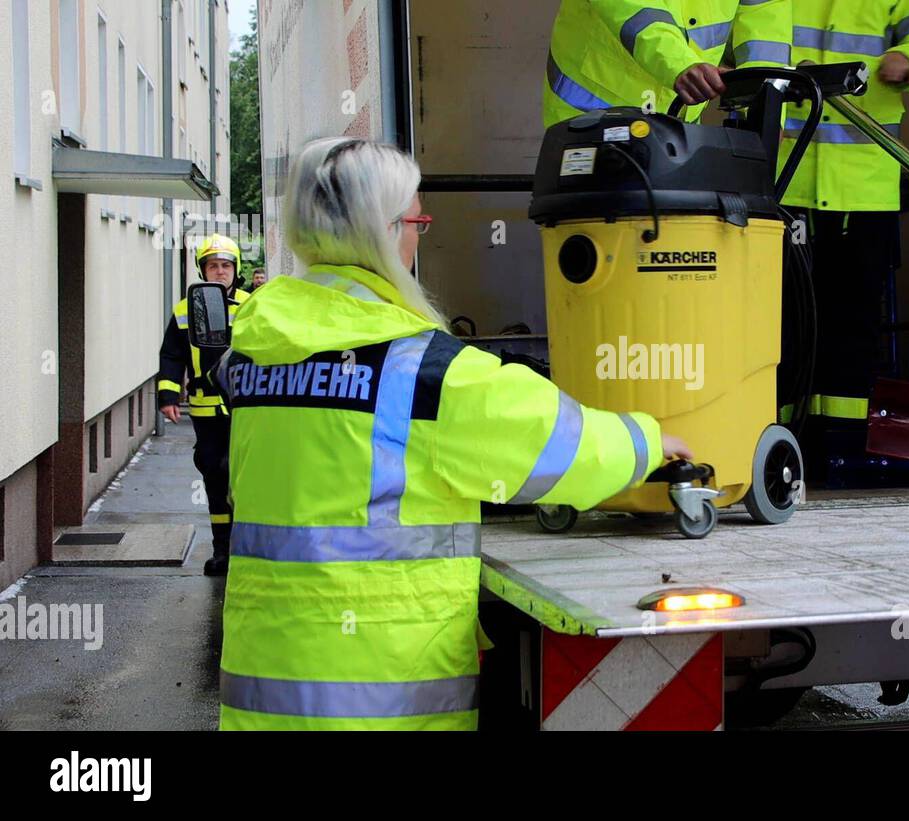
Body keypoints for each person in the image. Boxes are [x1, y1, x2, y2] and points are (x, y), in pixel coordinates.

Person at [211, 138, 692, 730]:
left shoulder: (254, 352)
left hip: (264, 692)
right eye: (416, 220)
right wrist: (646, 441)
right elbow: (555, 444)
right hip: (382, 698)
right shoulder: (424, 372)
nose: (419, 235)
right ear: (382, 231)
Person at [778, 0, 909, 468]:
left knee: (852, 324)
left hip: (862, 187)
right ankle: (777, 441)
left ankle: (840, 448)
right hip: (782, 177)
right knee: (781, 323)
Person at [543, 0, 792, 128]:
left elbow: (765, 24)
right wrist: (679, 64)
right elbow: (633, 9)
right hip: (595, 115)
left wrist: (768, 111)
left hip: (678, 119)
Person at [158, 233, 250, 576]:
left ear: (236, 269)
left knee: (245, 475)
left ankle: (247, 546)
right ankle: (221, 549)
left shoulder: (253, 306)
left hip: (243, 409)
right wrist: (168, 395)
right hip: (204, 409)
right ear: (203, 270)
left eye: (226, 265)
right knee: (214, 475)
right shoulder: (186, 309)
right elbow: (172, 354)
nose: (220, 272)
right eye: (213, 265)